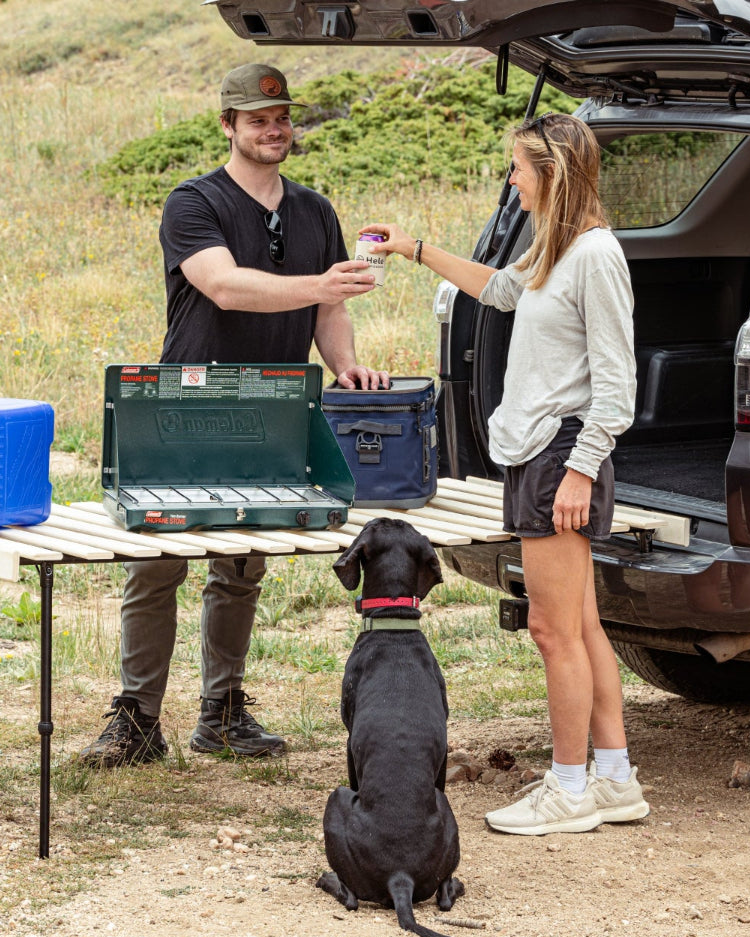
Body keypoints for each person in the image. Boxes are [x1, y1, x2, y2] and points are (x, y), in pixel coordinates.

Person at [79, 64, 388, 768]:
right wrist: (319, 285)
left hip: (274, 403)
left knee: (242, 564)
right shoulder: (194, 202)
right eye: (257, 120)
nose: (274, 130)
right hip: (186, 401)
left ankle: (220, 715)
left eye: (281, 119)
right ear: (228, 126)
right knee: (156, 564)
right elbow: (222, 286)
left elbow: (329, 309)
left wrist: (343, 366)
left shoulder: (315, 211)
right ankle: (136, 721)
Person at [362, 112, 648, 835]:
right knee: (582, 625)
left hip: (561, 458)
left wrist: (582, 472)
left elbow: (618, 387)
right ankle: (613, 780)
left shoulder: (596, 257)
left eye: (517, 167)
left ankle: (569, 787)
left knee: (554, 633)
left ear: (549, 171)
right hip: (541, 454)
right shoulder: (554, 248)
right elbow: (495, 291)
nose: (511, 179)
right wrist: (415, 249)